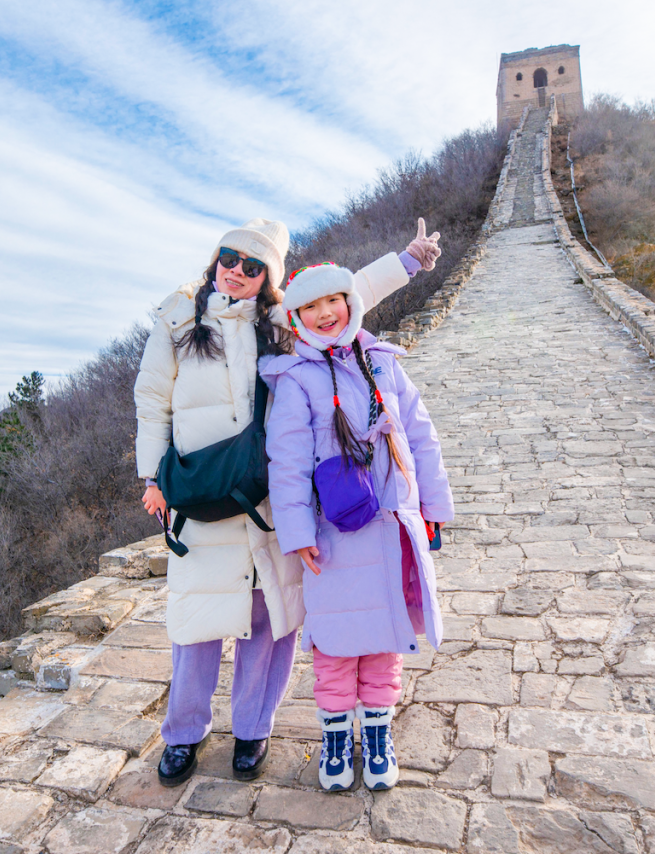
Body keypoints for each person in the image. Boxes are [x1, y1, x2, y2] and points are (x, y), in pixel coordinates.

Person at [133, 217, 441, 787]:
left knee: (268, 622)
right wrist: (151, 475)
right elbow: (152, 399)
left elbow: (342, 296)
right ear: (215, 260)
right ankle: (183, 733)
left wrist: (406, 261)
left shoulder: (280, 322)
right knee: (196, 623)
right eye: (230, 259)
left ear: (268, 278)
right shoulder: (177, 319)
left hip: (267, 499)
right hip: (201, 493)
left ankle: (253, 729)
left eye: (253, 267)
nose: (237, 272)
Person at [261, 261, 454, 791]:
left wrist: (433, 502)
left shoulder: (383, 362)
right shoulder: (295, 379)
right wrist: (297, 534)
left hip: (391, 524)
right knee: (336, 642)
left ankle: (377, 734)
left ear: (350, 302)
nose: (325, 313)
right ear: (296, 317)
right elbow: (287, 462)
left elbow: (421, 434)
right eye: (310, 306)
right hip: (333, 534)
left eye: (333, 301)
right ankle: (335, 738)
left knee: (385, 637)